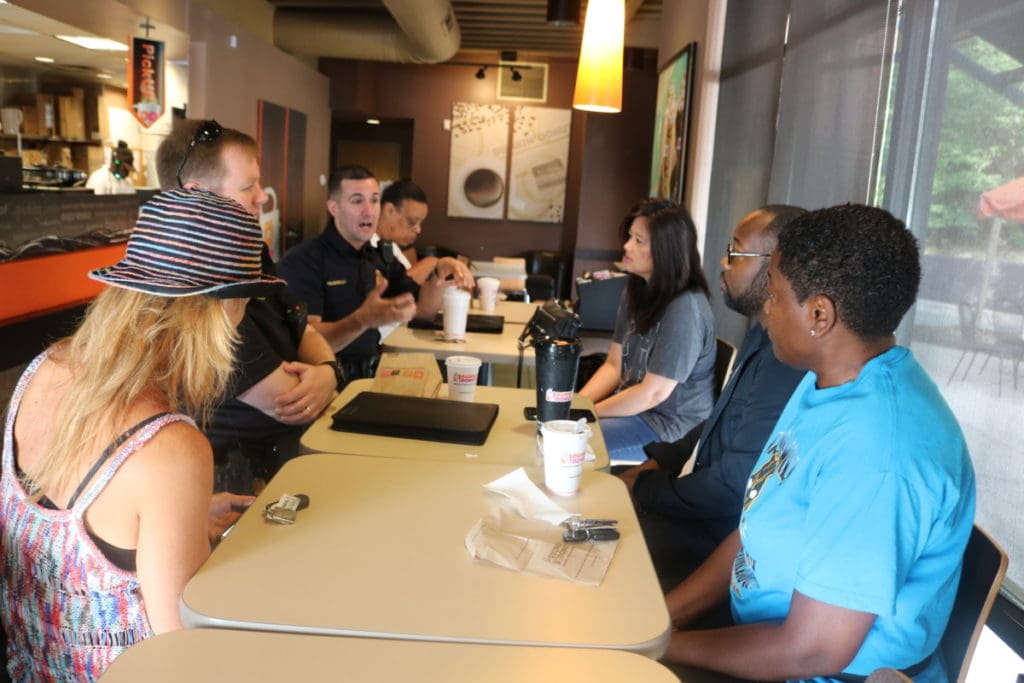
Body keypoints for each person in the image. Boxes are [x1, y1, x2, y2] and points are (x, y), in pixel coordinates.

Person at [664, 204, 976, 682]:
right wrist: (662, 619)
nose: (766, 306)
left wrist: (662, 647)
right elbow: (755, 532)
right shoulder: (828, 383)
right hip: (762, 641)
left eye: (776, 293)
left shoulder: (878, 452)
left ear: (818, 314)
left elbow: (812, 652)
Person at [0, 189, 273, 680]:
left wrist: (179, 522)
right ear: (216, 311)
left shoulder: (42, 369)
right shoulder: (168, 447)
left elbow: (76, 538)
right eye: (245, 301)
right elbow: (182, 652)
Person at [618, 205, 808, 592]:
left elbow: (732, 488)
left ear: (776, 267)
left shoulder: (787, 360)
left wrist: (644, 488)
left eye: (735, 252)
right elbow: (716, 422)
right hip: (702, 511)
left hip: (720, 542)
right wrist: (654, 464)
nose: (723, 262)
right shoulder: (762, 334)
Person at [155, 119, 341, 493]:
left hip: (292, 458)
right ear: (198, 195)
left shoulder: (251, 254)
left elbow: (301, 326)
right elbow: (287, 402)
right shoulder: (196, 292)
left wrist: (328, 372)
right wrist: (325, 376)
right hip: (231, 484)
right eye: (247, 186)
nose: (262, 196)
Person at [278, 164, 474, 380]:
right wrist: (363, 320)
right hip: (328, 378)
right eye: (357, 201)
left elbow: (423, 311)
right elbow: (306, 344)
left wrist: (440, 271)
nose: (369, 211)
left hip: (373, 371)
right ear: (334, 208)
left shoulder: (378, 256)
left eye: (374, 200)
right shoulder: (304, 260)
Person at [578, 200, 716, 462]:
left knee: (569, 446)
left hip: (670, 429)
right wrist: (575, 406)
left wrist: (588, 414)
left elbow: (653, 393)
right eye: (630, 237)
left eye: (639, 241)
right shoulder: (635, 292)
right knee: (559, 436)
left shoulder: (685, 308)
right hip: (636, 413)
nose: (627, 246)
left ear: (666, 251)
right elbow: (613, 366)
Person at [372, 179, 473, 337]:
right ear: (389, 210)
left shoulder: (387, 247)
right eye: (412, 222)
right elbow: (398, 293)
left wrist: (439, 271)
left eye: (420, 223)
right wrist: (431, 263)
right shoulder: (367, 249)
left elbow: (420, 306)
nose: (418, 230)